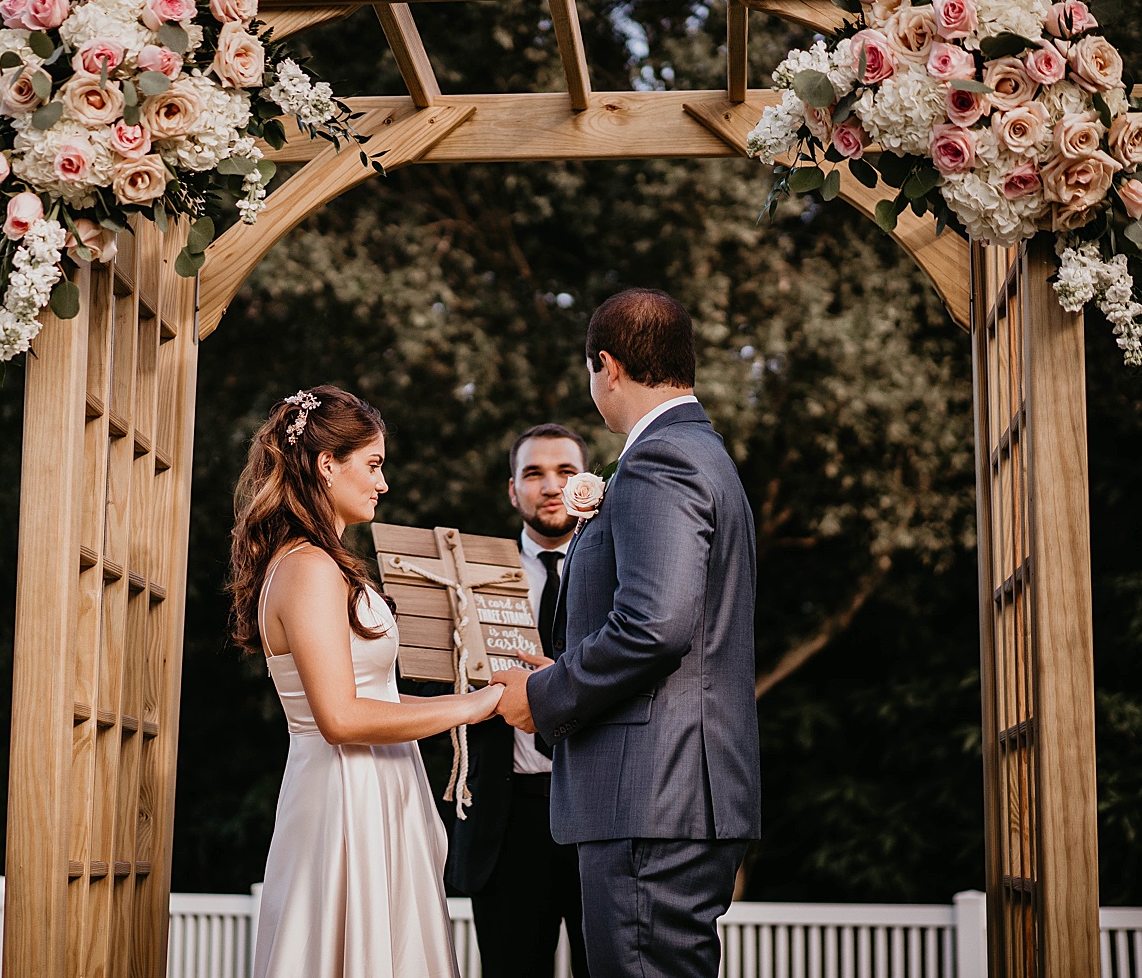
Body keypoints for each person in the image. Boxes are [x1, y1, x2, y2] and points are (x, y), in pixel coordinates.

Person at [492, 289, 761, 978]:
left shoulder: (658, 461)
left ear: (606, 366)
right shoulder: (702, 452)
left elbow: (652, 625)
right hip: (673, 795)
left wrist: (547, 692)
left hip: (650, 799)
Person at [228, 385, 505, 978]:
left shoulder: (322, 563)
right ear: (327, 465)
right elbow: (341, 718)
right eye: (373, 465)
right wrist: (471, 710)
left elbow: (372, 697)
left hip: (378, 784)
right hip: (344, 795)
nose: (383, 484)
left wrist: (477, 700)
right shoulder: (307, 568)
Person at [445, 424, 592, 978]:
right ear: (513, 490)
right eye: (534, 474)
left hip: (597, 808)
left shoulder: (624, 571)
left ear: (590, 486)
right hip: (508, 817)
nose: (550, 486)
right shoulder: (470, 578)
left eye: (565, 472)